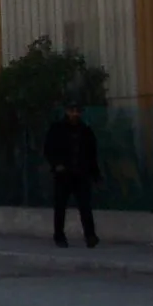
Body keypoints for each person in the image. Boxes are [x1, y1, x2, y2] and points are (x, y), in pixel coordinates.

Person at [43, 102, 100, 248]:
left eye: (77, 111)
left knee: (85, 206)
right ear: (67, 111)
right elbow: (49, 149)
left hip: (81, 174)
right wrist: (57, 165)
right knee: (61, 207)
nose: (75, 114)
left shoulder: (85, 130)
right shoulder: (57, 129)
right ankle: (59, 236)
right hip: (63, 175)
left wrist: (95, 174)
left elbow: (92, 154)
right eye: (72, 111)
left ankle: (90, 236)